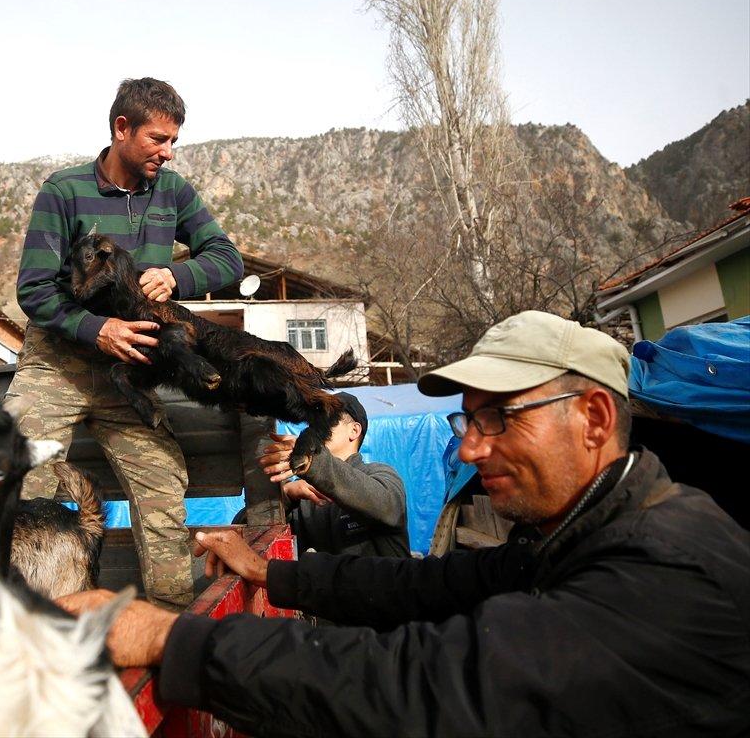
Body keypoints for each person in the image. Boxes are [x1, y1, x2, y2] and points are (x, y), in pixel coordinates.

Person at [61, 310, 750, 735]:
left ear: (594, 418)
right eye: (468, 422)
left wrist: (169, 637)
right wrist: (273, 572)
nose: (470, 450)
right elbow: (427, 585)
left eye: (497, 419)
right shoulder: (576, 535)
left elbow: (423, 684)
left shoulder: (665, 568)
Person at [6, 78, 243, 609]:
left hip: (130, 375)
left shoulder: (173, 192)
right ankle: (21, 620)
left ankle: (168, 625)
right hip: (57, 366)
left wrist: (178, 275)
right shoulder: (63, 191)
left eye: (173, 140)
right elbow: (34, 289)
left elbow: (228, 258)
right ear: (121, 128)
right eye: (158, 139)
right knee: (18, 478)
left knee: (162, 485)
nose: (168, 151)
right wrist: (98, 329)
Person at [260, 391, 409, 558]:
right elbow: (250, 535)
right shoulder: (302, 494)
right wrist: (286, 495)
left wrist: (313, 462)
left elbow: (386, 506)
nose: (315, 429)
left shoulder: (380, 474)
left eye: (327, 421)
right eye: (313, 422)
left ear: (354, 430)